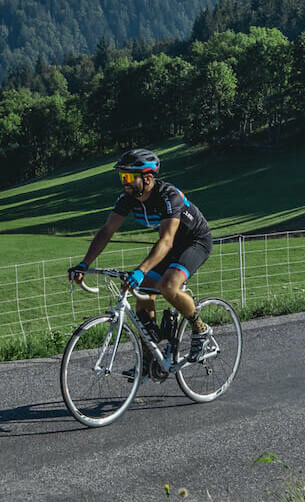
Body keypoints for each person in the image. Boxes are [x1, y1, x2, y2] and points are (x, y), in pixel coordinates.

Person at [67, 148, 219, 365]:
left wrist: (141, 270)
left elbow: (166, 241)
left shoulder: (169, 197)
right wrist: (84, 264)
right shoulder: (128, 198)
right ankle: (152, 358)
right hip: (169, 245)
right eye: (121, 177)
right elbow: (107, 231)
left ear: (147, 178)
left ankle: (200, 328)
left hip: (195, 242)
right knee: (140, 293)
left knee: (168, 287)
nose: (124, 182)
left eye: (128, 177)